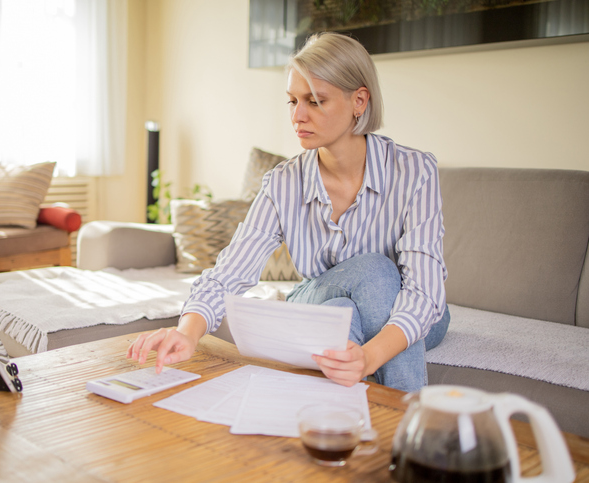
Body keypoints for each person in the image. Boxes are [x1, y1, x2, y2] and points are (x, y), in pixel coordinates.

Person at [127, 32, 450, 393]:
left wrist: (369, 357)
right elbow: (230, 272)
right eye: (293, 101)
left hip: (414, 312)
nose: (298, 116)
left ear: (359, 100)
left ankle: (392, 424)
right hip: (316, 296)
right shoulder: (283, 182)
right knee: (349, 296)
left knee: (371, 280)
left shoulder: (414, 171)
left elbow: (424, 292)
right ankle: (403, 430)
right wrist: (187, 333)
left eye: (315, 101)